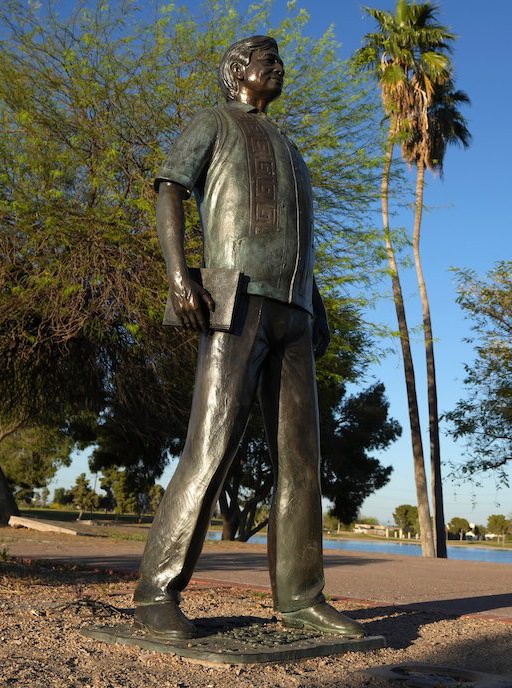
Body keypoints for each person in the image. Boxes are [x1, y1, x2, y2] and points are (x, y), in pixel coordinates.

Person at [133, 35, 364, 640]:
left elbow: (300, 237)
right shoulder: (212, 123)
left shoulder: (291, 147)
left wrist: (316, 303)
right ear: (238, 71)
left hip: (293, 310)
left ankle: (300, 596)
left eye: (280, 62)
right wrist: (180, 277)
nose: (279, 70)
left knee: (301, 460)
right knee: (210, 445)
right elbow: (169, 189)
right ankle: (156, 593)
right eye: (268, 62)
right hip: (232, 296)